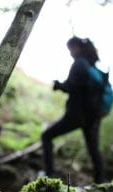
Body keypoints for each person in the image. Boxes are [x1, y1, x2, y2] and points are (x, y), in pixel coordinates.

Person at [41, 36, 105, 183]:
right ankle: (100, 182)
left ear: (78, 47)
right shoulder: (91, 66)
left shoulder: (79, 64)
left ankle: (49, 176)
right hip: (93, 116)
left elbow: (71, 86)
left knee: (46, 136)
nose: (70, 52)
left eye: (71, 49)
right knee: (94, 149)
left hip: (76, 115)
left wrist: (58, 85)